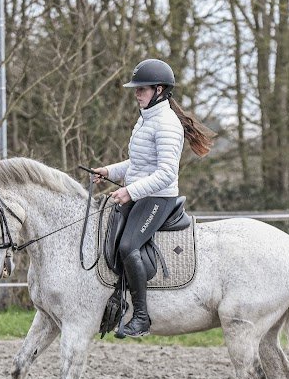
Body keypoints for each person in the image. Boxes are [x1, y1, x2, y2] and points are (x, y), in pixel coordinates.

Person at [92, 58, 214, 337]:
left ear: (159, 90)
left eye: (142, 89)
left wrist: (129, 191)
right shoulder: (146, 118)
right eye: (136, 89)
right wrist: (109, 170)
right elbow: (137, 164)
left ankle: (142, 317)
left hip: (158, 198)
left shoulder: (167, 124)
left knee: (128, 247)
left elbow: (167, 173)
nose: (136, 94)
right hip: (141, 193)